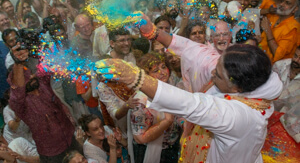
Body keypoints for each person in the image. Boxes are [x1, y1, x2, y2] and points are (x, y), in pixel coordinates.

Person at [94, 14, 283, 163]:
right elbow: (195, 50)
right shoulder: (245, 76)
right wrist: (154, 33)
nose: (211, 74)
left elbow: (191, 105)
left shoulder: (241, 117)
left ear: (236, 87)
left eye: (217, 74)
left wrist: (135, 77)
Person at [7, 42, 82, 162]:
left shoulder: (42, 84)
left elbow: (48, 66)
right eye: (25, 77)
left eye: (30, 73)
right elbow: (18, 87)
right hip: (52, 153)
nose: (31, 77)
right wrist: (18, 63)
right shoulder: (18, 103)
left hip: (70, 138)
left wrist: (35, 47)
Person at [128, 52, 182, 163]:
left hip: (173, 147)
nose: (162, 73)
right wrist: (167, 121)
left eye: (163, 67)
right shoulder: (141, 101)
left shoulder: (169, 86)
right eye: (155, 71)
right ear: (146, 76)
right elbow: (140, 138)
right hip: (152, 153)